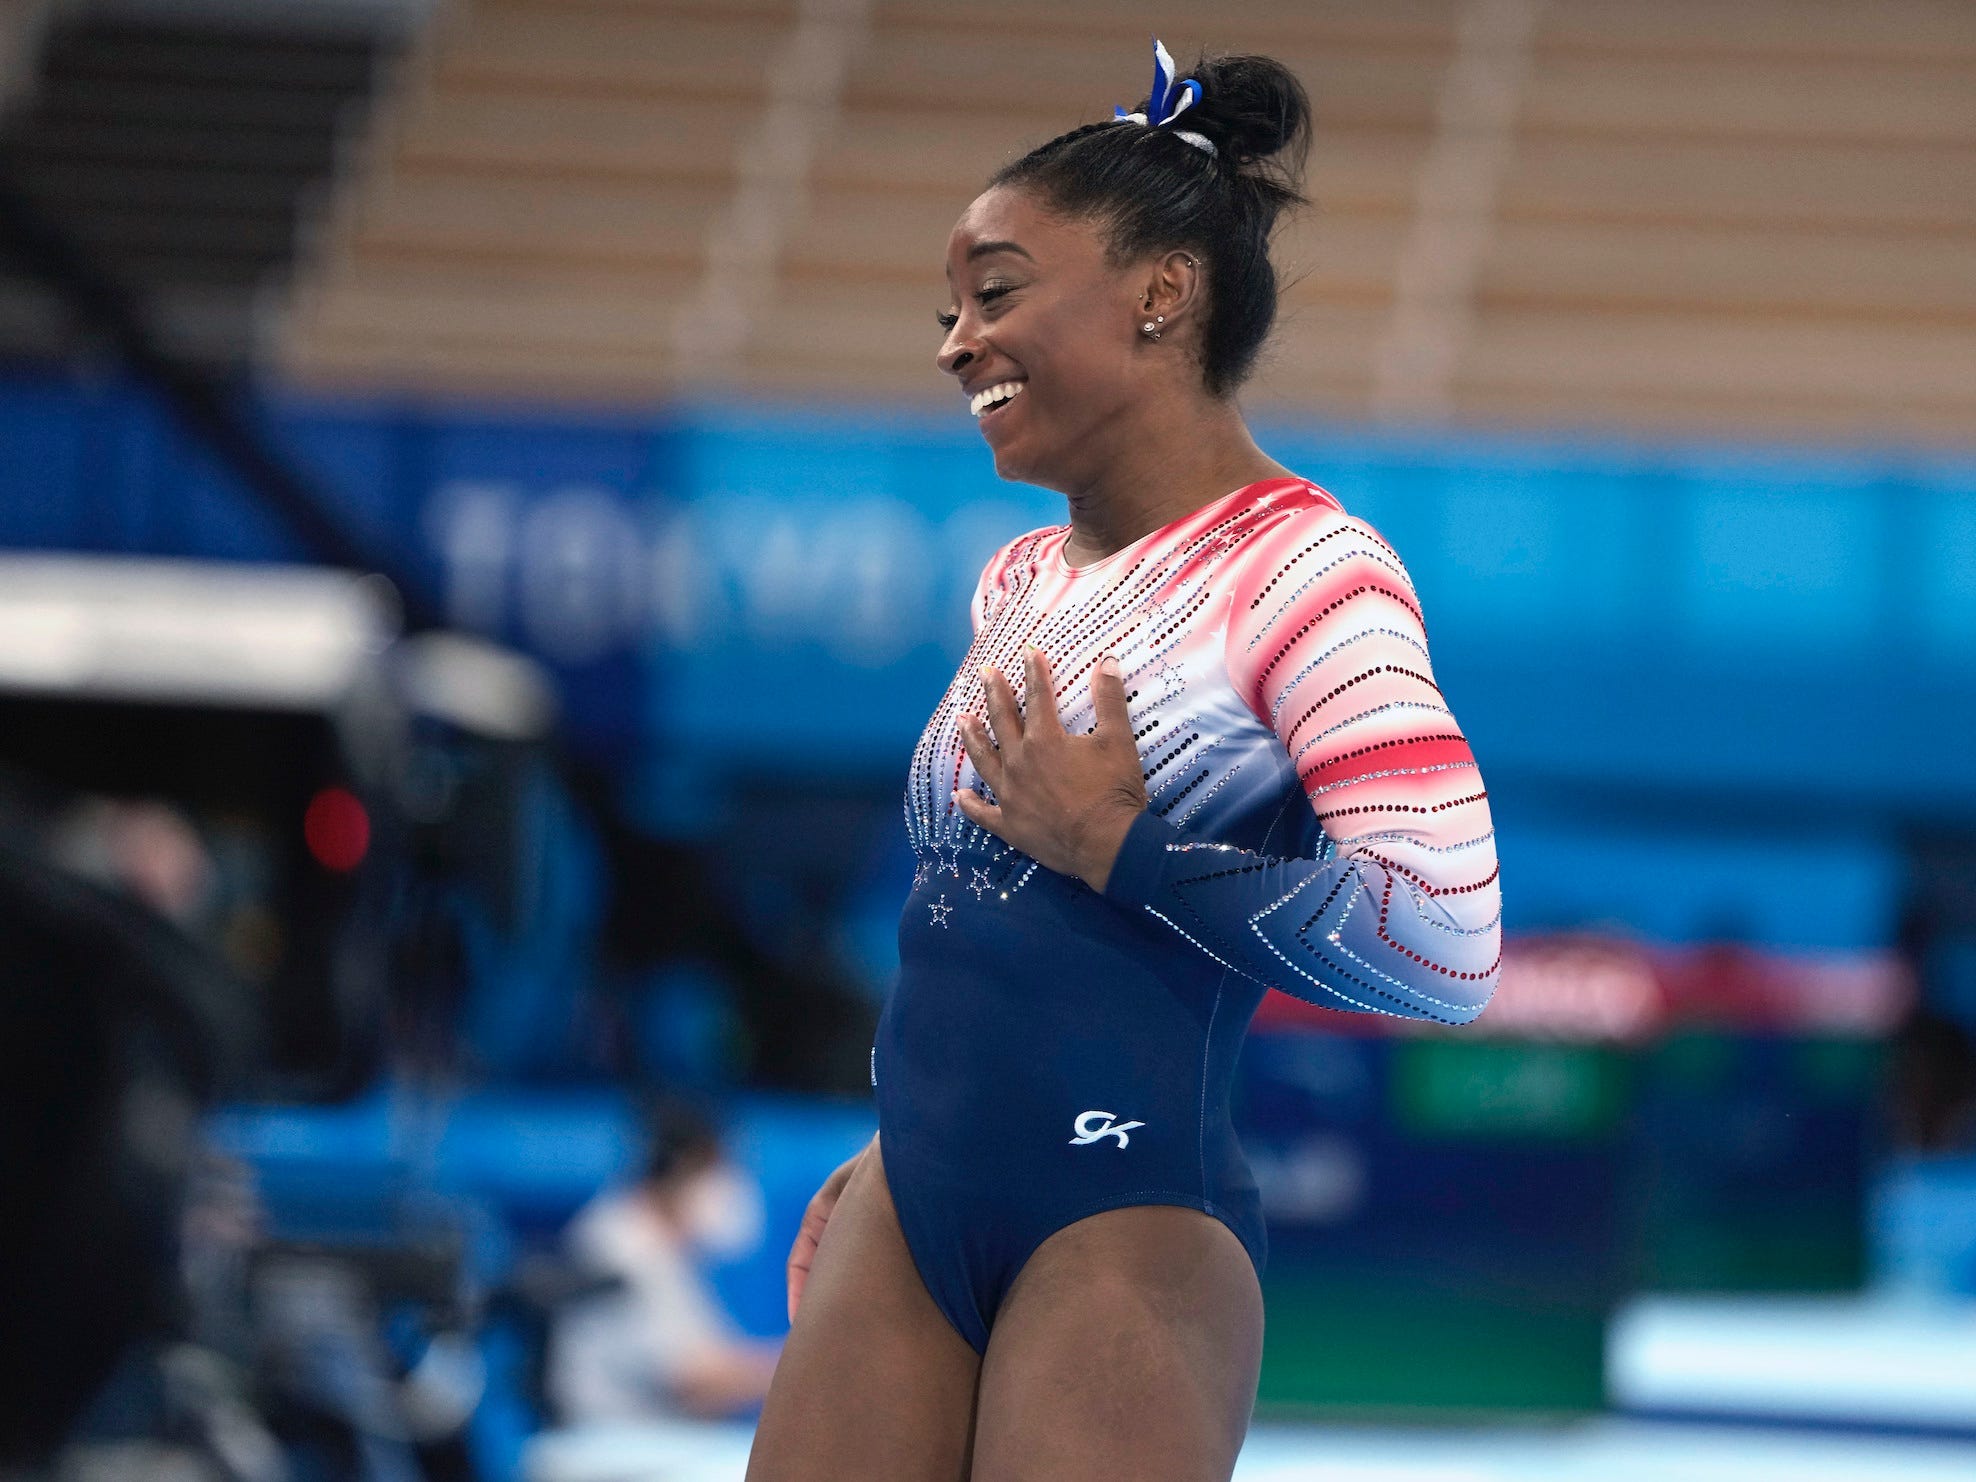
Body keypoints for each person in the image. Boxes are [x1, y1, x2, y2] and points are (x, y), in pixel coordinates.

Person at [747, 42, 1503, 1482]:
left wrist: (1126, 848)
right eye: (949, 310)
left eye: (998, 293)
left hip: (1123, 1228)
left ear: (1163, 293)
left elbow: (1449, 943)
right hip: (909, 1208)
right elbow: (976, 933)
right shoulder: (1023, 578)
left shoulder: (1309, 575)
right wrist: (895, 1136)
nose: (957, 343)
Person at [549, 1098, 782, 1424]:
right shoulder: (619, 1244)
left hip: (661, 1438)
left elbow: (713, 1359)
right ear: (683, 1169)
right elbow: (694, 1383)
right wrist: (808, 1365)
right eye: (718, 1168)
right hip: (610, 1443)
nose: (733, 1185)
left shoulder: (672, 1251)